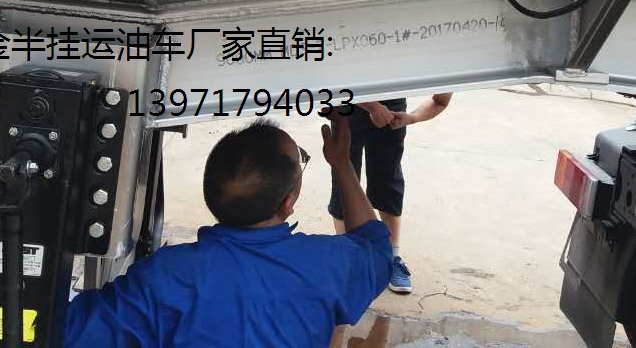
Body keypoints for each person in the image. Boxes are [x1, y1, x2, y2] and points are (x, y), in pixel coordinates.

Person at [65, 115, 392, 347]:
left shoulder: (165, 276)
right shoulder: (328, 265)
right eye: (300, 161)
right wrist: (342, 164)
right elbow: (378, 247)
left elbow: (67, 330)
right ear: (288, 202)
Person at [327, 93, 453, 294]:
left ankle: (390, 256)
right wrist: (373, 106)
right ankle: (348, 257)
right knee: (344, 176)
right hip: (347, 103)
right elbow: (335, 83)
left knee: (388, 178)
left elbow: (440, 101)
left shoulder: (446, 74)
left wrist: (411, 118)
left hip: (391, 104)